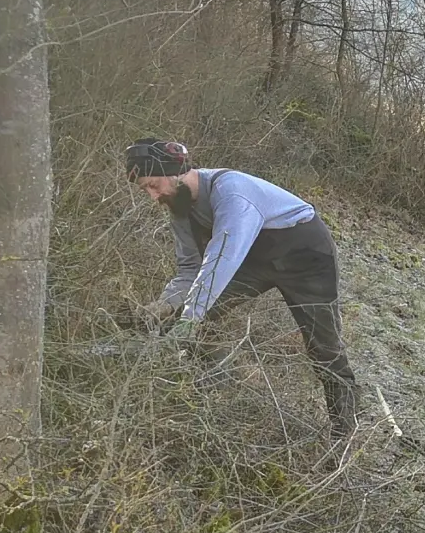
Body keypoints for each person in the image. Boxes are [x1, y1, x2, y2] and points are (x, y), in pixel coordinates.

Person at [125, 138, 360, 435]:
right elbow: (190, 269)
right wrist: (167, 304)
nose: (152, 196)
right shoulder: (179, 206)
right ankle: (213, 392)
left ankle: (345, 430)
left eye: (153, 185)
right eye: (145, 189)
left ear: (174, 172)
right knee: (200, 316)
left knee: (323, 347)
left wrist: (189, 317)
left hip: (306, 255)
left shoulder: (232, 193)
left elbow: (222, 258)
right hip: (256, 258)